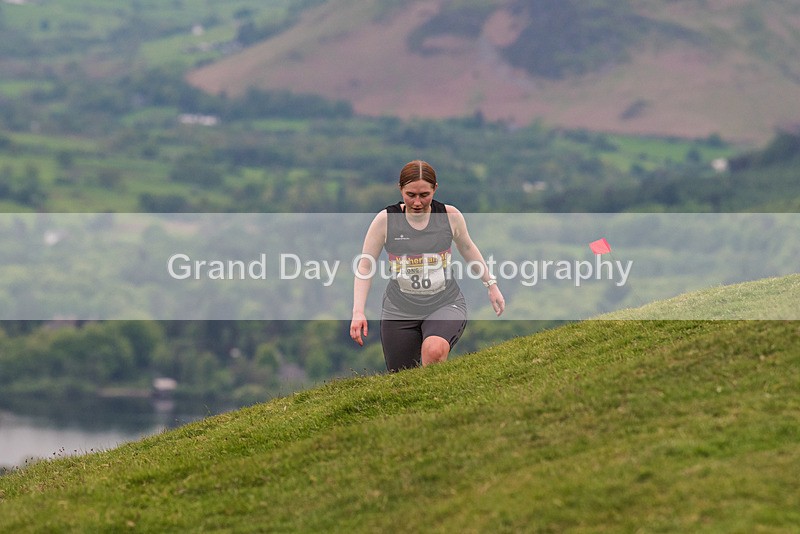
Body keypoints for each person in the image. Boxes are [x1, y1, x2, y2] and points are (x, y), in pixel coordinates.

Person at [350, 160, 505, 372]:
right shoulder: (385, 221)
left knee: (433, 351)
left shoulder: (449, 216)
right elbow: (365, 267)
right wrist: (358, 311)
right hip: (400, 310)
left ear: (435, 189)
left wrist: (491, 285)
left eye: (424, 195)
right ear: (400, 189)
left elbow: (468, 248)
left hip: (444, 303)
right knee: (402, 380)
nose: (417, 202)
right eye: (410, 194)